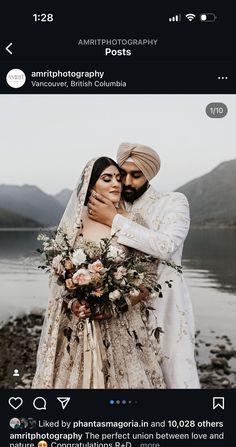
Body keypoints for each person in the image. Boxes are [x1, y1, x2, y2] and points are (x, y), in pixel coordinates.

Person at [32, 156, 166, 389]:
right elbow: (60, 277)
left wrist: (116, 305)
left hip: (120, 323)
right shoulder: (74, 225)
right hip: (79, 323)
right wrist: (73, 302)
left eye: (118, 177)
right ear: (91, 185)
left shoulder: (132, 221)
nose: (117, 183)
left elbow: (149, 277)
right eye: (107, 178)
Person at [87, 143, 200, 388]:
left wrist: (113, 220)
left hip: (165, 305)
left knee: (175, 375)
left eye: (135, 175)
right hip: (121, 313)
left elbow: (166, 245)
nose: (126, 182)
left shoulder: (173, 202)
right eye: (122, 174)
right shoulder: (114, 203)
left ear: (149, 174)